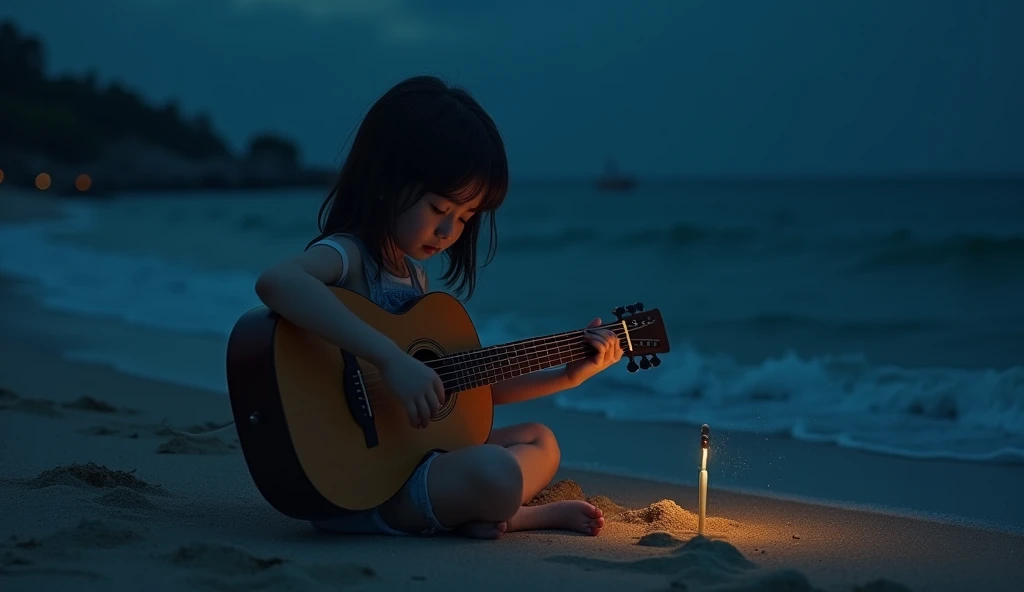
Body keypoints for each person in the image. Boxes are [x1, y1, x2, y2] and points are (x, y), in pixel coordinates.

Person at [254, 75, 623, 539]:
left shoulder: (416, 282)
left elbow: (461, 385)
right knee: (497, 471)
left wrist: (569, 374)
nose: (450, 230)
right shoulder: (348, 255)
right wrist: (389, 360)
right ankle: (512, 513)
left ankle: (487, 509)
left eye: (466, 217)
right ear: (387, 180)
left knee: (539, 440)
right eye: (439, 207)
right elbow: (278, 281)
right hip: (358, 489)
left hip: (411, 461)